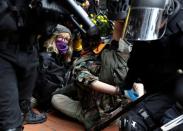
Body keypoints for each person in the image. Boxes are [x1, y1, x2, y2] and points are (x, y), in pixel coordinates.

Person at [0, 0, 97, 130]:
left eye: (66, 40)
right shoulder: (47, 57)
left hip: (27, 50)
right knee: (9, 120)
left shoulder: (59, 57)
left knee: (22, 106)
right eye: (61, 38)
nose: (63, 42)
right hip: (6, 49)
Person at [109, 0, 183, 130]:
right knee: (131, 124)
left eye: (150, 19)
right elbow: (138, 57)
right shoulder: (146, 27)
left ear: (167, 13)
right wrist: (128, 84)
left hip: (179, 96)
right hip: (161, 90)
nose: (146, 23)